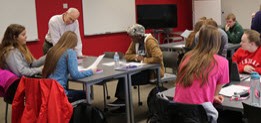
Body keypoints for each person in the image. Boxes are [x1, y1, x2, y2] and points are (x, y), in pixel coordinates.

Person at [174, 25, 229, 123]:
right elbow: (215, 93)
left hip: (177, 111)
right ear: (217, 42)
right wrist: (212, 96)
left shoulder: (187, 56)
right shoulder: (222, 62)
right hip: (199, 114)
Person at [108, 24, 165, 112]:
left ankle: (123, 102)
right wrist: (136, 57)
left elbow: (158, 57)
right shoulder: (135, 42)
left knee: (126, 78)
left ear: (139, 36)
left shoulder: (150, 41)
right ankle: (123, 102)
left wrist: (144, 60)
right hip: (140, 70)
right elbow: (127, 55)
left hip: (152, 72)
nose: (131, 39)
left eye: (132, 37)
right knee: (123, 76)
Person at [42, 31, 96, 102]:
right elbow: (75, 75)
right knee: (87, 94)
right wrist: (91, 71)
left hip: (47, 91)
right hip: (60, 93)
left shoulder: (51, 50)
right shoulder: (70, 52)